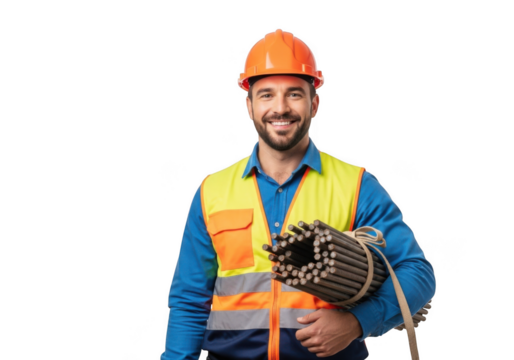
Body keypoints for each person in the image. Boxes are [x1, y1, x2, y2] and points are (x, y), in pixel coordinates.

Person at [160, 28, 436, 360]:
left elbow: (416, 271)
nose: (280, 108)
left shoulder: (356, 185)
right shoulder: (212, 190)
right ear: (248, 105)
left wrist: (356, 323)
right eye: (266, 95)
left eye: (294, 94)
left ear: (314, 103)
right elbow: (190, 297)